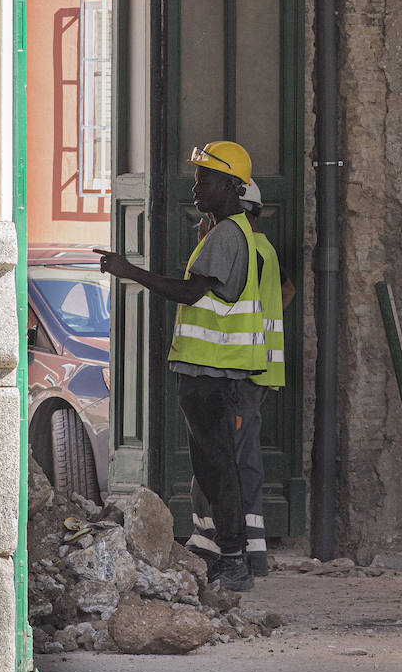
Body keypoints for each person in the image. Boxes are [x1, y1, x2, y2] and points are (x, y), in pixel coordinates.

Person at [96, 140, 264, 593]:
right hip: (207, 374)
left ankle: (234, 561)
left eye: (205, 179)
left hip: (213, 374)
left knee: (218, 469)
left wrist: (129, 271)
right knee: (214, 469)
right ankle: (233, 557)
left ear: (231, 186)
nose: (196, 187)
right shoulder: (227, 231)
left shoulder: (228, 234)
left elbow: (192, 294)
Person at [189, 179, 296, 578]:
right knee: (236, 457)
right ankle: (248, 550)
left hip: (239, 368)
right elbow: (286, 290)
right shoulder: (263, 249)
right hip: (258, 366)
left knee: (224, 460)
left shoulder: (242, 248)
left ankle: (219, 546)